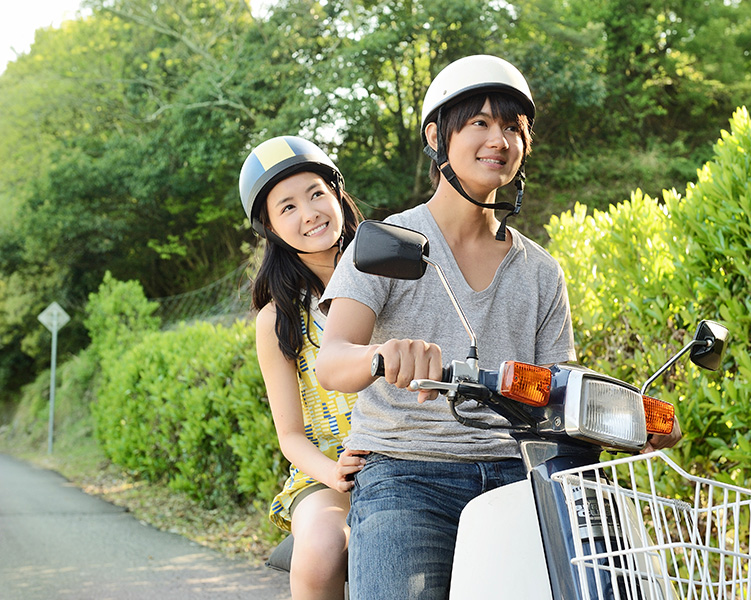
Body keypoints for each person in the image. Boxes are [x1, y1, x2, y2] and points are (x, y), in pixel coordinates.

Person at [316, 55, 682, 599]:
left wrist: (632, 419)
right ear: (437, 137)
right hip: (408, 474)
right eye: (480, 123)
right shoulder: (389, 242)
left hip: (521, 474)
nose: (500, 140)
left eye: (513, 127)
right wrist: (381, 355)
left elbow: (556, 389)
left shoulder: (540, 271)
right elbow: (331, 361)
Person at [239, 135, 368, 600]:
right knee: (320, 549)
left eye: (316, 194)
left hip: (411, 448)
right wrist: (334, 474)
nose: (310, 212)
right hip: (329, 470)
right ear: (270, 227)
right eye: (288, 207)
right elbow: (291, 435)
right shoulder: (278, 318)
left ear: (337, 194)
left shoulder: (391, 271)